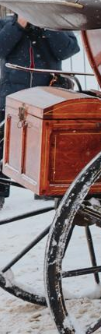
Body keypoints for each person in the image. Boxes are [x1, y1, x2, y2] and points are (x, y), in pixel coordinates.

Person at [0, 14, 80, 206]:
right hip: (11, 93)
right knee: (3, 143)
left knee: (45, 143)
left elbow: (68, 49)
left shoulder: (55, 23)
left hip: (47, 94)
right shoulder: (6, 24)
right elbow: (1, 48)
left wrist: (47, 25)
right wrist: (19, 26)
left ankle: (45, 186)